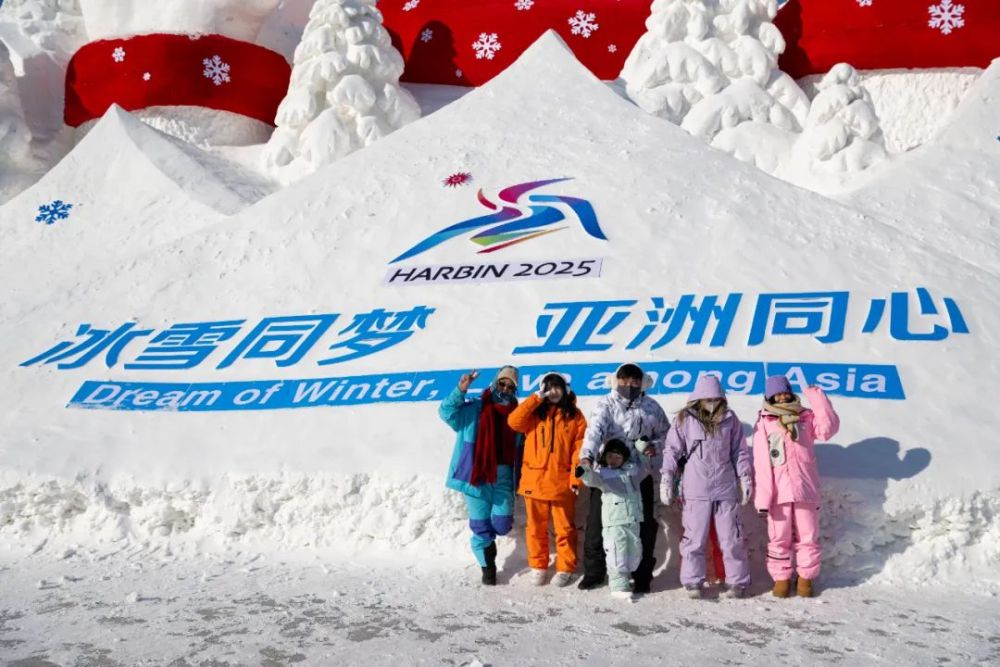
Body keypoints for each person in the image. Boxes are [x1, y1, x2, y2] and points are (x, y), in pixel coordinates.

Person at [577, 363, 670, 593]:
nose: (629, 385)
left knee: (644, 525)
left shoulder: (651, 407)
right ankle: (595, 572)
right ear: (615, 381)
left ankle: (642, 575)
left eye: (634, 381)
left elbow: (667, 435)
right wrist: (587, 457)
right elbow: (594, 432)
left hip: (639, 473)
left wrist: (653, 446)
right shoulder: (606, 404)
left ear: (642, 382)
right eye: (624, 381)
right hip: (607, 472)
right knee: (598, 523)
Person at [661, 375, 753, 599]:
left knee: (731, 538)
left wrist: (745, 477)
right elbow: (672, 451)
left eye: (715, 398)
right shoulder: (684, 420)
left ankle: (737, 581)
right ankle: (693, 581)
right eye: (707, 399)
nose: (712, 402)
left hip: (725, 488)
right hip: (696, 489)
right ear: (698, 399)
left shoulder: (730, 419)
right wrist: (667, 477)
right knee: (694, 539)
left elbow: (739, 451)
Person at [752, 375, 840, 598]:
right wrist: (763, 497)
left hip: (805, 488)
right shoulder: (764, 422)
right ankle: (781, 579)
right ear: (769, 397)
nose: (782, 397)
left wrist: (817, 397)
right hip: (777, 492)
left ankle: (805, 579)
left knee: (808, 536)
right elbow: (761, 463)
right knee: (779, 537)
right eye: (776, 394)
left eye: (784, 392)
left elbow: (827, 429)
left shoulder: (806, 417)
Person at [439, 366, 522, 586]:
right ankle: (487, 566)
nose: (506, 389)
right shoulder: (475, 408)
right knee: (481, 527)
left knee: (502, 524)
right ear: (495, 383)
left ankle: (488, 544)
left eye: (511, 386)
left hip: (504, 476)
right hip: (477, 475)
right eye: (502, 383)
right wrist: (460, 389)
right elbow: (446, 413)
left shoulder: (517, 415)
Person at [507, 371, 587, 587]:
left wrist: (575, 479)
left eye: (557, 387)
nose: (553, 392)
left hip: (562, 483)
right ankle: (538, 566)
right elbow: (514, 422)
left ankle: (565, 567)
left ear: (565, 389)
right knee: (535, 529)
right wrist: (535, 398)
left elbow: (579, 451)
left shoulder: (575, 416)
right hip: (534, 481)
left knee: (565, 529)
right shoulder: (534, 413)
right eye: (548, 387)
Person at [577, 439, 652, 601]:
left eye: (618, 457)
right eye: (610, 456)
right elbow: (591, 479)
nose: (613, 460)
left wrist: (641, 451)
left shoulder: (632, 473)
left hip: (632, 520)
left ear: (624, 458)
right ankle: (618, 585)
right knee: (617, 552)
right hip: (614, 522)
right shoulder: (603, 475)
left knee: (633, 551)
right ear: (605, 457)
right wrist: (584, 471)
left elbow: (645, 468)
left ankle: (625, 577)